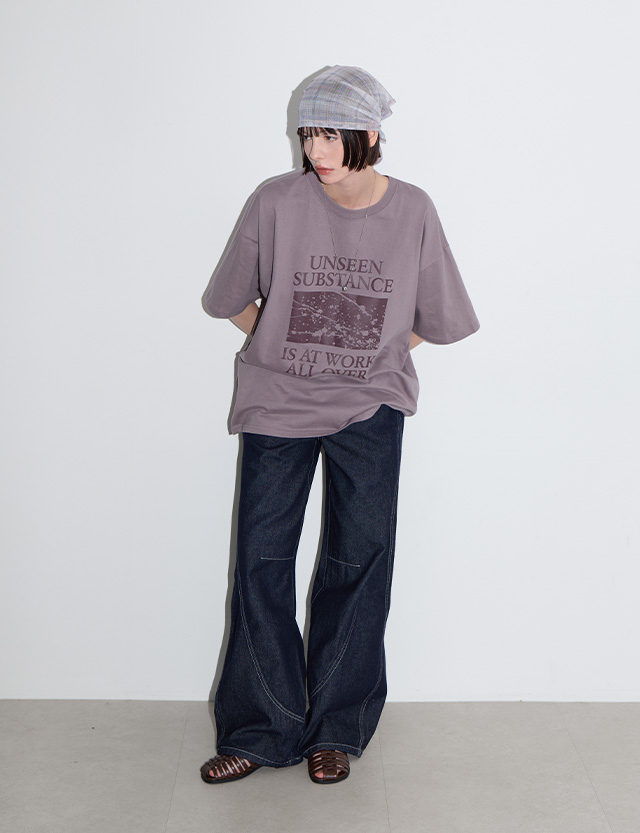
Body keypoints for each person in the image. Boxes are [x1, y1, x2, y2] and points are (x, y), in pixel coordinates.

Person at [200, 66, 479, 785]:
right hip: (277, 403)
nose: (316, 150)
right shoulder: (275, 200)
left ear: (372, 135)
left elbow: (437, 316)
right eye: (308, 134)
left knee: (358, 561)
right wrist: (277, 342)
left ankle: (335, 729)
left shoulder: (412, 209)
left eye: (331, 134)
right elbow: (228, 299)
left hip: (369, 407)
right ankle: (261, 730)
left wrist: (374, 351)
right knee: (261, 560)